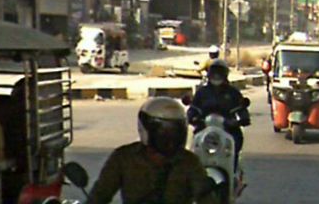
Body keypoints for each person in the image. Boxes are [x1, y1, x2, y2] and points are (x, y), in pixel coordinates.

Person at [86, 97, 217, 204]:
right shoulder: (123, 158)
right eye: (164, 131)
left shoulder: (188, 162)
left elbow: (205, 196)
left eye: (175, 131)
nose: (170, 138)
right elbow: (100, 195)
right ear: (147, 129)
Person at [187, 59, 250, 169]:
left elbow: (242, 108)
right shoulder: (202, 92)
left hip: (228, 129)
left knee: (235, 143)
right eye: (214, 72)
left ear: (225, 74)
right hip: (204, 129)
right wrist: (191, 117)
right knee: (192, 149)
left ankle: (233, 170)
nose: (216, 75)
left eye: (219, 73)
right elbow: (193, 108)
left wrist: (242, 119)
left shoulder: (233, 93)